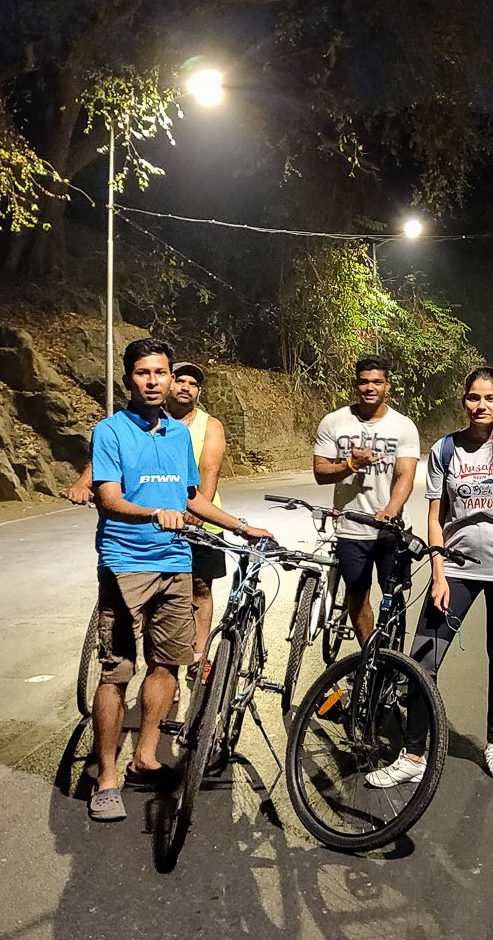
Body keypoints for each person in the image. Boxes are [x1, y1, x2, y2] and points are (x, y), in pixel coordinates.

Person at [85, 338, 270, 822]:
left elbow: (192, 498)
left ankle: (144, 758)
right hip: (126, 563)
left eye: (160, 373)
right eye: (143, 373)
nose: (153, 381)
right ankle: (106, 776)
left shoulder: (175, 436)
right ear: (129, 378)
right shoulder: (110, 431)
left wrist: (240, 525)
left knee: (166, 665)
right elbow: (108, 497)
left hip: (176, 562)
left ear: (170, 379)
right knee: (116, 671)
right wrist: (153, 514)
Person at [367, 367, 493, 787]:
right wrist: (438, 571)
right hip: (457, 567)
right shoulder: (446, 450)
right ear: (463, 400)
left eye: (489, 398)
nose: (480, 406)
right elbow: (435, 517)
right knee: (423, 658)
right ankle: (412, 755)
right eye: (473, 398)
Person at [69, 359, 227, 677]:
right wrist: (82, 483)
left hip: (198, 522)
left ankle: (198, 654)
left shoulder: (208, 426)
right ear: (169, 383)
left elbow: (208, 473)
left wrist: (197, 515)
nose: (185, 387)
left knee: (200, 589)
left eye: (193, 384)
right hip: (150, 526)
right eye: (180, 380)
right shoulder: (141, 420)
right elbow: (107, 459)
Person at [312, 356, 421, 643]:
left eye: (377, 382)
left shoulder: (403, 426)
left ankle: (393, 657)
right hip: (351, 529)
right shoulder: (334, 421)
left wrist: (389, 511)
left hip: (392, 530)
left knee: (393, 597)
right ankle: (369, 661)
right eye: (364, 381)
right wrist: (350, 465)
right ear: (355, 384)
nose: (370, 387)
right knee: (357, 598)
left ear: (387, 385)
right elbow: (320, 472)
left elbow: (405, 476)